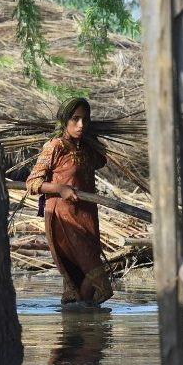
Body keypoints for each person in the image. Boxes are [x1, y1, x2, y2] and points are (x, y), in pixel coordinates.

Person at [26, 97, 113, 307]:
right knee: (97, 279)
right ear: (64, 120)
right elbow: (32, 183)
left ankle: (77, 329)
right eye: (75, 119)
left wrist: (91, 138)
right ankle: (82, 323)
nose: (81, 125)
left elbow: (102, 160)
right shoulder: (55, 146)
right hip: (64, 219)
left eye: (85, 120)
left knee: (82, 278)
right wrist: (60, 188)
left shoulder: (87, 148)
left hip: (87, 218)